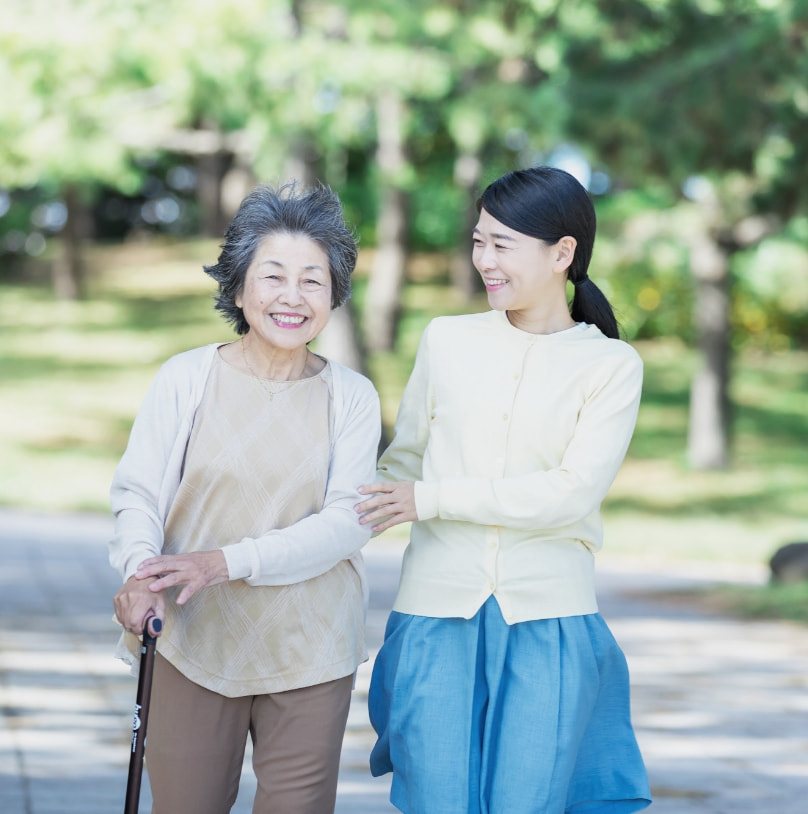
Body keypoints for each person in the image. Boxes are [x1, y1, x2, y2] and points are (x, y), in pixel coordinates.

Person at [355, 166, 652, 813]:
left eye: (502, 244)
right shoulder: (446, 339)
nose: (483, 260)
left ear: (562, 254)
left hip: (548, 620)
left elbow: (569, 494)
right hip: (435, 614)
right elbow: (399, 468)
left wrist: (430, 499)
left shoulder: (609, 365)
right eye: (478, 241)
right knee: (432, 801)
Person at [110, 182, 381, 814]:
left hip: (311, 648)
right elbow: (139, 494)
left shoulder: (352, 397)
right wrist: (138, 572)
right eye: (274, 276)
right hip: (190, 635)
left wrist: (223, 561)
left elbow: (347, 522)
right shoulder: (187, 378)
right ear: (238, 288)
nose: (293, 297)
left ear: (334, 295)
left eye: (313, 281)